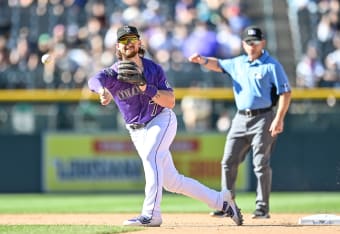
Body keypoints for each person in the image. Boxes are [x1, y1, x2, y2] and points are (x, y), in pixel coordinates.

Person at [88, 25, 243, 227]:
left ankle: (151, 214)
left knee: (151, 155)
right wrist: (102, 90)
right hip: (136, 130)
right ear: (117, 46)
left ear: (139, 43)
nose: (129, 44)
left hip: (161, 119)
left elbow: (170, 102)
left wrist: (145, 87)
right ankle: (221, 201)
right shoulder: (114, 73)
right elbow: (94, 79)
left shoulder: (153, 69)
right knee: (173, 182)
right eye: (124, 41)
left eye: (132, 39)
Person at [188, 25, 291, 219]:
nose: (252, 45)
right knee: (228, 161)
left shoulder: (271, 65)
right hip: (240, 118)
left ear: (263, 43)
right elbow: (218, 64)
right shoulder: (238, 63)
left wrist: (279, 118)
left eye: (256, 42)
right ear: (243, 44)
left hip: (263, 117)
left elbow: (285, 92)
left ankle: (262, 208)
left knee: (260, 163)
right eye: (249, 42)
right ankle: (226, 203)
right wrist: (202, 60)